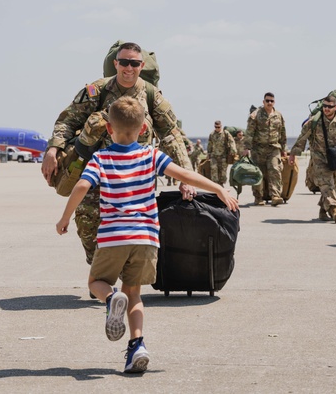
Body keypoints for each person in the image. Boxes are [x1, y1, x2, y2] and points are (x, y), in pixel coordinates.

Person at [56, 96, 239, 373]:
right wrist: (218, 189)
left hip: (113, 236)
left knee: (97, 282)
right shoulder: (151, 155)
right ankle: (137, 345)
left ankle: (110, 299)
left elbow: (82, 185)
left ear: (109, 129)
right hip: (146, 238)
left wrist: (65, 217)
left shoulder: (102, 157)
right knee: (134, 295)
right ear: (144, 129)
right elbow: (185, 175)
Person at [41, 42, 194, 266]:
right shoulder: (97, 90)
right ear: (116, 64)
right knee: (87, 222)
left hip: (135, 179)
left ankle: (122, 281)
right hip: (98, 173)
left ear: (141, 65)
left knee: (133, 234)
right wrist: (52, 149)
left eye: (134, 63)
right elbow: (68, 120)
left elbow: (171, 134)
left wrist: (185, 177)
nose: (128, 68)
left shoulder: (152, 96)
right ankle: (100, 272)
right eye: (124, 62)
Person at [290, 94, 336, 222]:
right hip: (320, 158)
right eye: (324, 106)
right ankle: (334, 210)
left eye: (330, 106)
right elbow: (302, 138)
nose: (326, 109)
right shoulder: (314, 122)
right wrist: (293, 154)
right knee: (327, 184)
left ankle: (323, 210)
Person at [244, 92, 288, 206]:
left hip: (274, 148)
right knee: (258, 174)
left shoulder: (278, 115)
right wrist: (246, 148)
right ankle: (258, 198)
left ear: (274, 102)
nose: (269, 103)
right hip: (258, 149)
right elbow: (249, 132)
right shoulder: (255, 115)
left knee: (275, 170)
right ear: (263, 102)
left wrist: (284, 149)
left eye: (271, 101)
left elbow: (283, 132)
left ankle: (275, 196)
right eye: (267, 100)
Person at [206, 121, 237, 187]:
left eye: (218, 127)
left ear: (221, 126)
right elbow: (210, 144)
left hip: (223, 156)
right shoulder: (212, 134)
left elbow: (231, 141)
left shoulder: (225, 133)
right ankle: (215, 184)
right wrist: (208, 154)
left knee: (223, 171)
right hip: (214, 155)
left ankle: (221, 183)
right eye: (215, 127)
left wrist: (233, 150)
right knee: (214, 169)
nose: (217, 128)